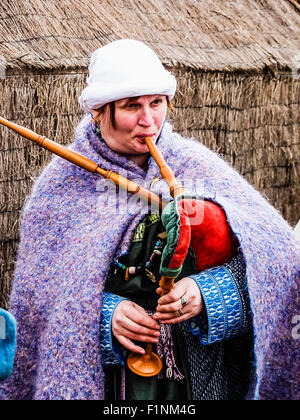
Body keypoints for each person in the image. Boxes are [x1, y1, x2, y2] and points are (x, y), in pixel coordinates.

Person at [0, 39, 299, 400]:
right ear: (99, 111)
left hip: (203, 383)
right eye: (131, 106)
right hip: (108, 385)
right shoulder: (63, 187)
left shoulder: (197, 167)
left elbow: (278, 266)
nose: (148, 120)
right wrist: (105, 316)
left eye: (156, 103)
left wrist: (211, 294)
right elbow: (41, 304)